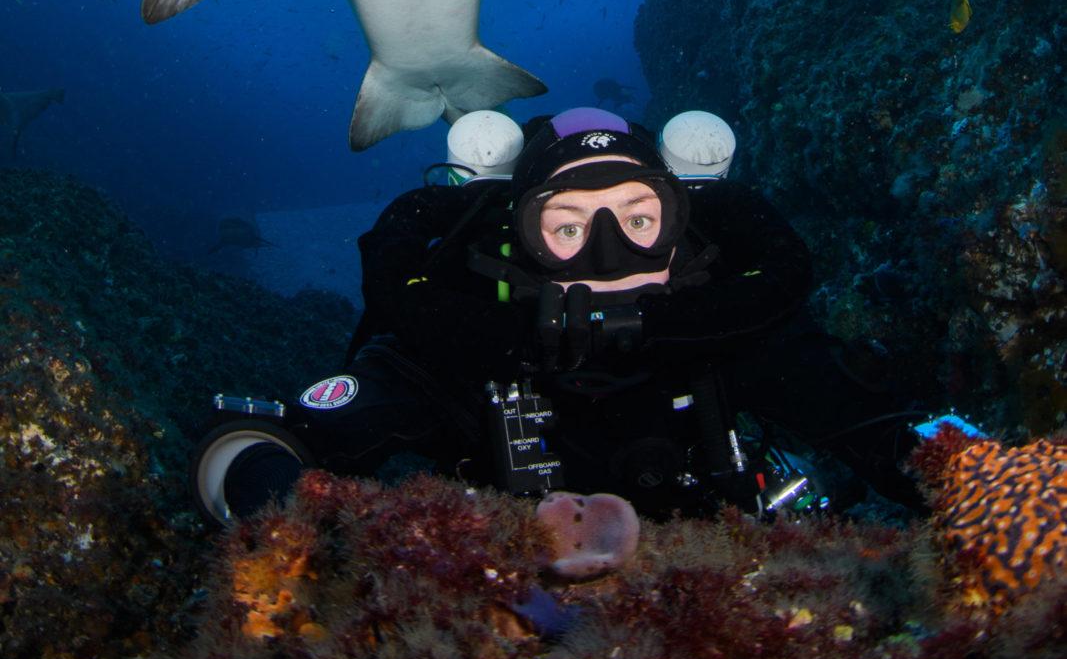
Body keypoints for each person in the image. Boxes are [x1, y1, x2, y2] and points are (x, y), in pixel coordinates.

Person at [202, 107, 928, 524]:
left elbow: (890, 435)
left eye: (639, 220)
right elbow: (262, 436)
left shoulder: (732, 340)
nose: (610, 256)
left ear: (683, 225)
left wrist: (971, 468)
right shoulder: (457, 355)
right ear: (518, 241)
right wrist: (279, 500)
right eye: (569, 227)